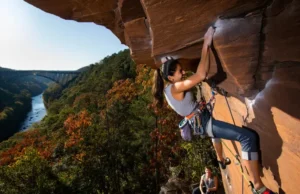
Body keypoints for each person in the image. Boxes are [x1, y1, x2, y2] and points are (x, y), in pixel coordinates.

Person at [152, 26, 274, 194]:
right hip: (204, 122)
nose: (184, 72)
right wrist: (206, 45)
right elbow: (201, 75)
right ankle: (258, 187)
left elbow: (178, 74)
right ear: (171, 77)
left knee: (218, 135)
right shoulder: (176, 87)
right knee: (247, 137)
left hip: (201, 122)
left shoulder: (167, 89)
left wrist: (168, 61)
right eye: (180, 71)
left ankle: (221, 159)